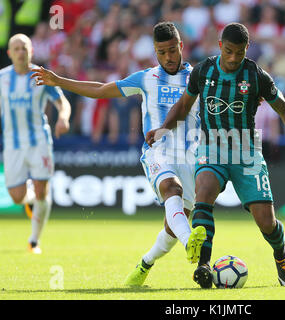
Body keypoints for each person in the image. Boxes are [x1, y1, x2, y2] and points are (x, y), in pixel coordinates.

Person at [31, 22, 206, 287]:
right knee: (171, 188)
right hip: (158, 152)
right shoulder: (146, 77)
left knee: (171, 229)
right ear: (154, 52)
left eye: (172, 50)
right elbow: (101, 90)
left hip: (190, 159)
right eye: (162, 52)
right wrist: (59, 81)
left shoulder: (199, 78)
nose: (168, 57)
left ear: (181, 46)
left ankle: (145, 263)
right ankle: (189, 242)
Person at [146, 23, 285, 288]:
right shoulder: (203, 71)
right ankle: (204, 265)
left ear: (246, 49)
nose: (232, 58)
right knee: (203, 193)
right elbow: (183, 106)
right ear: (220, 46)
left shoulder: (256, 76)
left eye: (238, 52)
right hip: (211, 146)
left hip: (246, 151)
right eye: (228, 51)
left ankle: (280, 254)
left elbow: (284, 110)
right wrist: (162, 129)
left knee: (266, 222)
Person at [0, 33, 71, 254]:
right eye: (17, 48)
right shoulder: (2, 78)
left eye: (25, 48)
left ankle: (34, 240)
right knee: (16, 196)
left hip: (39, 140)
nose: (21, 52)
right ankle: (30, 193)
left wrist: (63, 117)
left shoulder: (41, 76)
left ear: (31, 51)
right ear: (10, 53)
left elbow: (63, 103)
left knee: (43, 191)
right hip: (12, 144)